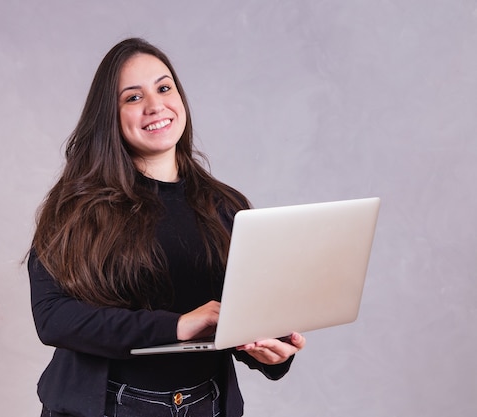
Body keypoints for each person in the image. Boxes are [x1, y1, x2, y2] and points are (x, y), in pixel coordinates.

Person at [28, 37, 306, 417]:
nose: (156, 105)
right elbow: (54, 318)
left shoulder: (227, 207)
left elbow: (241, 316)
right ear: (109, 115)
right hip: (103, 405)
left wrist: (270, 355)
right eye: (133, 97)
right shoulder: (75, 208)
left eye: (163, 87)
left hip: (204, 404)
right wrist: (177, 326)